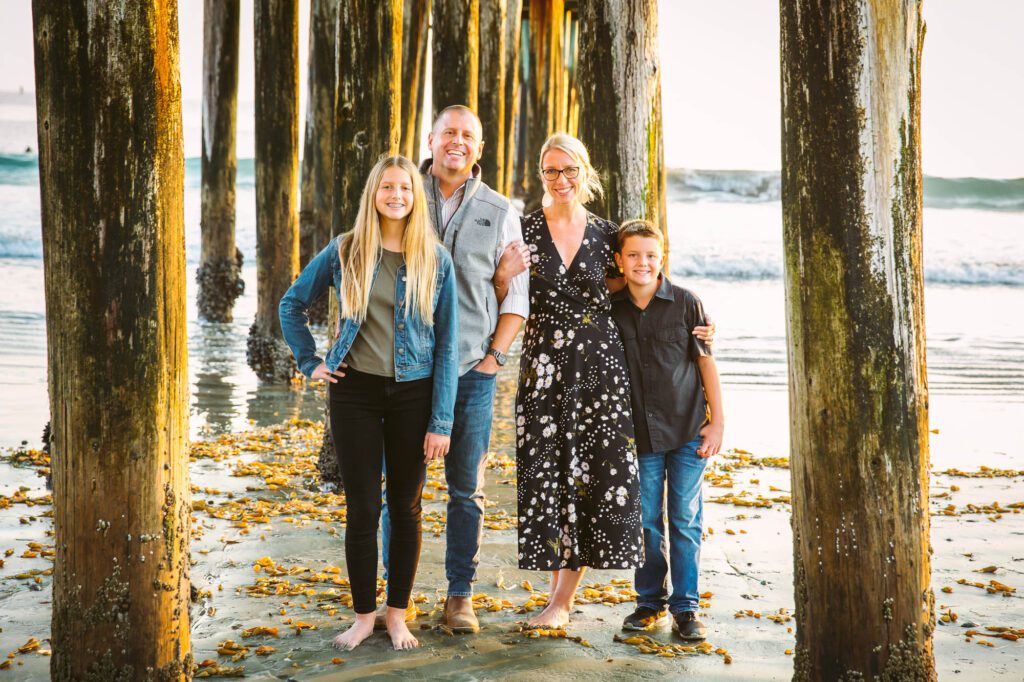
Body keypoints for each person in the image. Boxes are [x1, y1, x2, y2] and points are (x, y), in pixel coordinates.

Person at [278, 156, 459, 651]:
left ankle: (396, 614)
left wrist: (441, 420)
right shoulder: (347, 250)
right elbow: (291, 303)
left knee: (405, 506)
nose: (396, 195)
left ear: (415, 195)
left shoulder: (435, 259)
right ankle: (362, 616)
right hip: (353, 391)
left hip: (414, 395)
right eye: (387, 187)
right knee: (361, 508)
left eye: (404, 187)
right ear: (373, 194)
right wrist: (310, 361)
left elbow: (447, 345)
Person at [379, 105, 531, 634]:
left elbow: (518, 297)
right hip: (408, 371)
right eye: (449, 133)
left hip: (471, 371)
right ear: (430, 139)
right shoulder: (402, 196)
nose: (457, 143)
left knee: (466, 489)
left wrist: (495, 358)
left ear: (480, 148)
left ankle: (459, 596)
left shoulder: (500, 210)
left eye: (468, 136)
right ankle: (396, 596)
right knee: (399, 489)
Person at [514, 133, 644, 628]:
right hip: (542, 367)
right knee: (546, 474)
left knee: (590, 477)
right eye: (551, 171)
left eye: (570, 170)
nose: (561, 179)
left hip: (598, 371)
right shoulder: (523, 230)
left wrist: (698, 319)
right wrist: (505, 277)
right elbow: (499, 292)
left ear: (585, 173)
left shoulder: (609, 235)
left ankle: (562, 602)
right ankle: (554, 595)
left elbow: (643, 281)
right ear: (540, 176)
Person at [611, 219, 724, 640]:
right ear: (620, 260)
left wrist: (718, 423)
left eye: (651, 256)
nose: (643, 263)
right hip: (638, 433)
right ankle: (649, 602)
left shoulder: (686, 303)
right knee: (646, 520)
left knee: (685, 518)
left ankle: (686, 607)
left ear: (662, 259)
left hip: (688, 429)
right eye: (634, 255)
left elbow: (705, 364)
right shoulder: (612, 307)